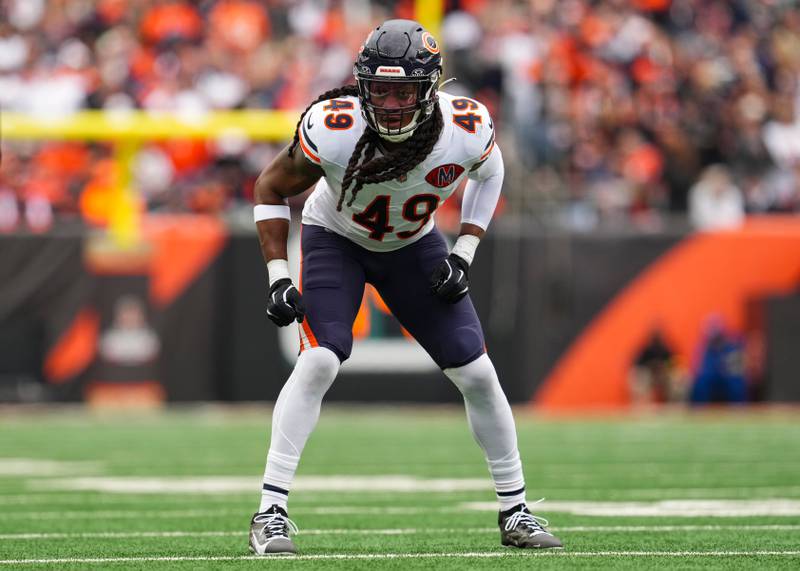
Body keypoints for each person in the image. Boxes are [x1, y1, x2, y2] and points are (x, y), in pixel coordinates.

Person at [249, 20, 562, 555]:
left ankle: (516, 510)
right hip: (336, 239)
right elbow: (270, 186)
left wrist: (465, 251)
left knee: (477, 371)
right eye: (380, 89)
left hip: (414, 247)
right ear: (361, 85)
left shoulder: (464, 126)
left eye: (404, 91)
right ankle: (269, 512)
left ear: (431, 88)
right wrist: (278, 274)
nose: (391, 103)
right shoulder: (335, 125)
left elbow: (493, 173)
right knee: (321, 359)